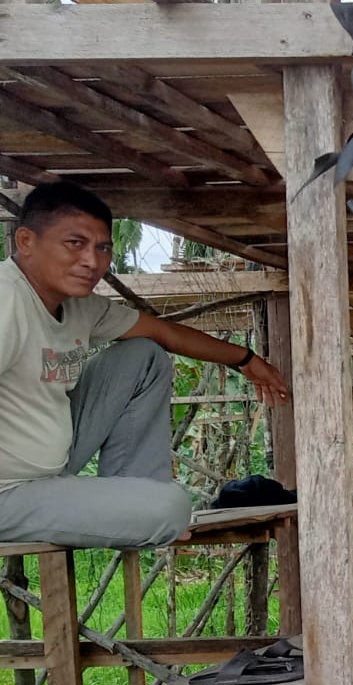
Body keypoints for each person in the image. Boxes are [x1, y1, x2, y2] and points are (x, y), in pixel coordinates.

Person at [0, 183, 289, 548]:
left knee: (143, 355)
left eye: (102, 247)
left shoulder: (77, 305)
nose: (92, 261)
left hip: (49, 468)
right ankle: (148, 514)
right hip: (8, 493)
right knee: (171, 507)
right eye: (74, 244)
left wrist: (245, 360)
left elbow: (164, 333)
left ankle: (134, 498)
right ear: (25, 241)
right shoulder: (6, 300)